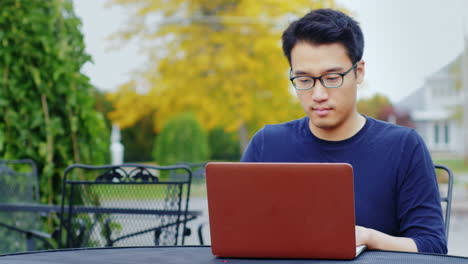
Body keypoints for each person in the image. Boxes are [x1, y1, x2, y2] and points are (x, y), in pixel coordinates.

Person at [241, 9, 447, 254]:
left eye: (332, 77)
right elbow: (237, 233)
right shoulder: (267, 144)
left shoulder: (403, 146)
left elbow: (432, 246)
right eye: (304, 80)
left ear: (358, 72)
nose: (318, 95)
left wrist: (368, 237)